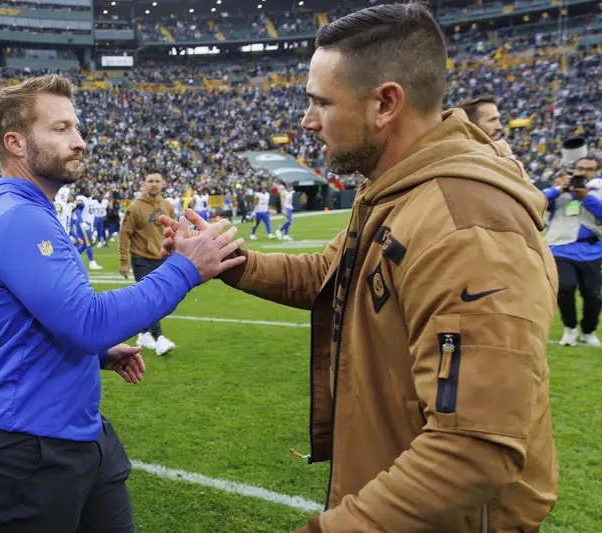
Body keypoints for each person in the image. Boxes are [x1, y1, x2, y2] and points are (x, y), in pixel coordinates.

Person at [161, 4, 558, 531]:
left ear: (385, 104)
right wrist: (229, 260)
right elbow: (327, 274)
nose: (307, 120)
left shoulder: (468, 228)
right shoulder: (396, 191)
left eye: (321, 102)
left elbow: (474, 448)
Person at [0, 74, 245, 533]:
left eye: (76, 127)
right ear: (15, 142)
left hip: (75, 432)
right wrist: (187, 269)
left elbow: (32, 321)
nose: (80, 141)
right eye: (61, 129)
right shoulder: (17, 217)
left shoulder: (21, 208)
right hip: (29, 445)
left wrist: (98, 353)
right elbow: (86, 322)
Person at [543, 155, 602, 346]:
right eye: (580, 168)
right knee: (565, 287)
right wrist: (558, 189)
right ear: (574, 169)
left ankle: (588, 331)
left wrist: (586, 198)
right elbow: (538, 201)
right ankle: (570, 329)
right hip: (560, 248)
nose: (583, 172)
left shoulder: (598, 191)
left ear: (595, 172)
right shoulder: (561, 190)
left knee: (594, 295)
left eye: (588, 169)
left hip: (592, 249)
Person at [118, 169, 177, 356]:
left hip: (162, 258)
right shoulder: (135, 207)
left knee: (156, 298)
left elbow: (172, 232)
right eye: (150, 180)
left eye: (157, 181)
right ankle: (160, 338)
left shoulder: (168, 206)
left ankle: (144, 333)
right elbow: (124, 233)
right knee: (152, 298)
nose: (153, 184)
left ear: (163, 184)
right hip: (141, 258)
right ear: (144, 183)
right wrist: (123, 261)